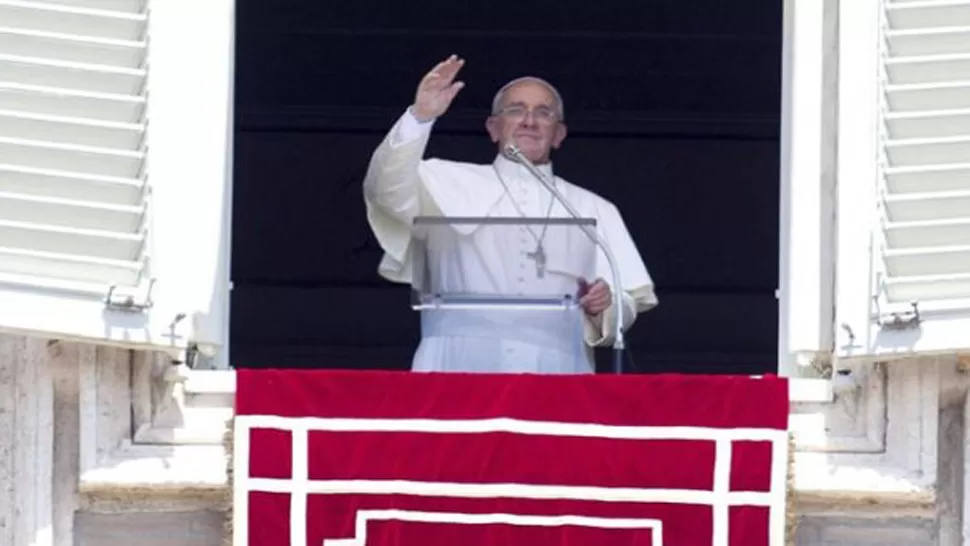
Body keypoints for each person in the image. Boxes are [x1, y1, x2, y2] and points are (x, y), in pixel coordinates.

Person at [363, 54, 658, 374]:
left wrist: (607, 306)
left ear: (559, 134)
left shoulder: (593, 207)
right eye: (516, 110)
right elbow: (386, 191)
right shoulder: (442, 180)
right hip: (455, 365)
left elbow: (628, 298)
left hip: (558, 370)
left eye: (543, 113)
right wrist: (420, 117)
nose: (529, 120)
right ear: (493, 127)